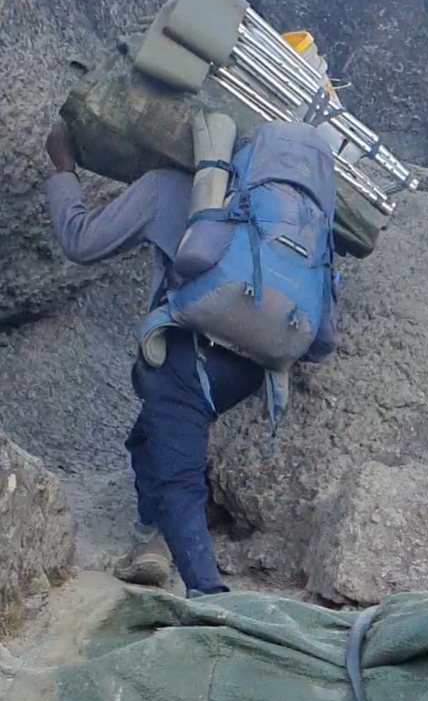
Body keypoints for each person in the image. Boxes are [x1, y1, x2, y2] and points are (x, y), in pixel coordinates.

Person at [42, 119, 267, 595]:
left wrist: (62, 166)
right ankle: (148, 544)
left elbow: (81, 241)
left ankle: (212, 602)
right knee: (147, 439)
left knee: (178, 480)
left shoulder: (165, 186)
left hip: (192, 355)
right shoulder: (265, 195)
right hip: (255, 359)